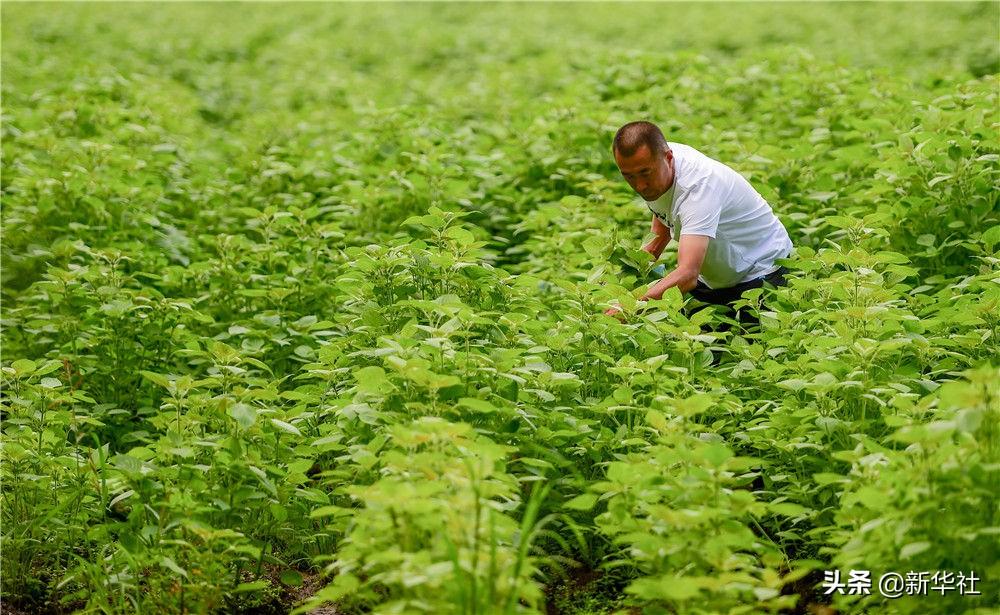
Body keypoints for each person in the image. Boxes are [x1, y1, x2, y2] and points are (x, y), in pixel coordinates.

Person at [605, 121, 792, 326]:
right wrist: (628, 274)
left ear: (668, 158)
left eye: (644, 174)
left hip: (761, 269)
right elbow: (663, 216)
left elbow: (687, 275)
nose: (639, 185)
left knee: (749, 349)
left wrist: (631, 306)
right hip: (714, 276)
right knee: (692, 343)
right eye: (628, 176)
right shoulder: (654, 163)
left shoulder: (699, 189)